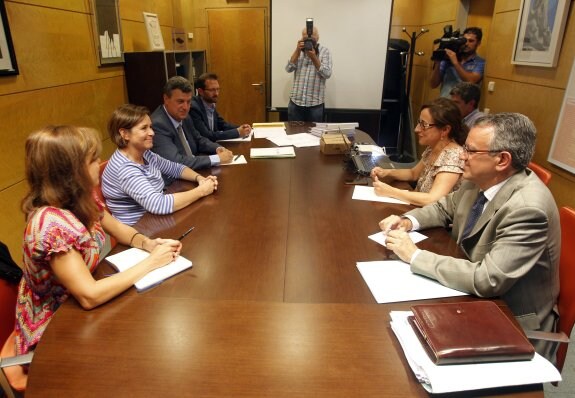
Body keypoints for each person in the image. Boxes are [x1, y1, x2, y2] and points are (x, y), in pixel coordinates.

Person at [1, 125, 182, 390]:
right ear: (70, 172)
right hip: (57, 325)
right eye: (92, 159)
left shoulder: (80, 198)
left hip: (85, 308)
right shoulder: (50, 225)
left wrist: (147, 243)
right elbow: (89, 296)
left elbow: (119, 228)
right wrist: (152, 262)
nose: (100, 163)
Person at [379, 113, 560, 359]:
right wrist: (408, 221)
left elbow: (488, 279)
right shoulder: (479, 179)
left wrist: (415, 256)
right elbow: (444, 207)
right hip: (473, 296)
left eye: (471, 151)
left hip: (511, 319)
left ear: (502, 160)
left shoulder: (528, 208)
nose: (462, 156)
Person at [102, 104, 218, 226]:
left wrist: (200, 179)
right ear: (125, 134)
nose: (152, 132)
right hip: (139, 229)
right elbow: (158, 205)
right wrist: (202, 191)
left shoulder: (145, 153)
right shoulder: (125, 168)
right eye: (144, 128)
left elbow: (175, 168)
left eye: (151, 127)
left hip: (156, 220)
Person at [370, 97, 467, 206]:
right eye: (419, 123)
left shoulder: (454, 156)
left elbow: (433, 200)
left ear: (445, 130)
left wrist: (391, 192)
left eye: (424, 125)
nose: (416, 129)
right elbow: (413, 173)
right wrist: (387, 172)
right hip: (418, 209)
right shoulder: (433, 147)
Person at [151, 76, 234, 170]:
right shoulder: (157, 125)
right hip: (174, 181)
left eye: (188, 101)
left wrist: (217, 148)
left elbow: (198, 139)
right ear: (166, 99)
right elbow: (176, 162)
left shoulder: (185, 116)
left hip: (195, 171)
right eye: (180, 101)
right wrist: (216, 158)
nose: (186, 107)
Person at [285, 25, 332, 122]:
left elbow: (327, 74)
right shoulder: (299, 51)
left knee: (314, 136)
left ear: (318, 37)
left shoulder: (324, 51)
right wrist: (297, 51)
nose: (309, 39)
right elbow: (288, 68)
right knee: (294, 135)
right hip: (295, 103)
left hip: (315, 104)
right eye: (305, 37)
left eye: (312, 36)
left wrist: (314, 57)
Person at [190, 73, 251, 141]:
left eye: (218, 89)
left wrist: (242, 127)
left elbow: (222, 124)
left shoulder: (210, 103)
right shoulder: (194, 108)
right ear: (200, 91)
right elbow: (206, 135)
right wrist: (237, 132)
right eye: (212, 90)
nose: (216, 93)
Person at [430, 27, 485, 98]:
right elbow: (433, 84)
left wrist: (455, 62)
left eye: (471, 41)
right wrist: (438, 63)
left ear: (478, 43)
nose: (466, 44)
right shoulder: (448, 59)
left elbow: (471, 81)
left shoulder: (480, 62)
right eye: (465, 40)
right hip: (445, 104)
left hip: (464, 107)